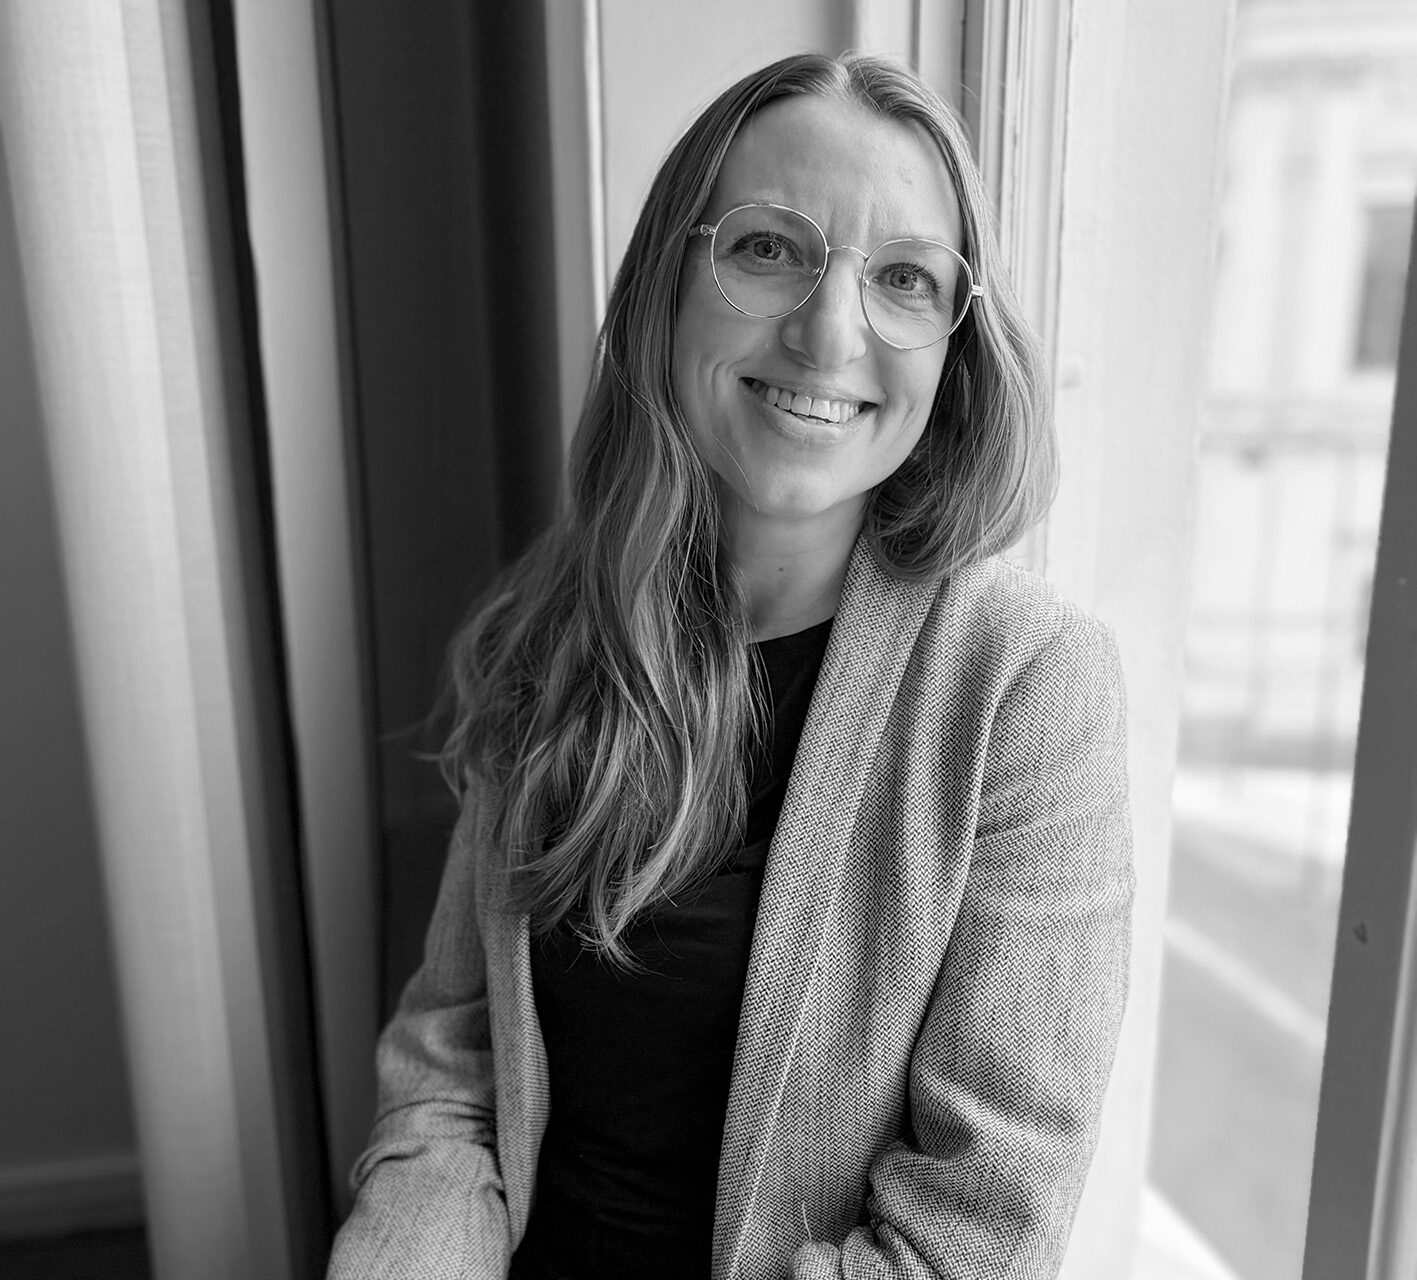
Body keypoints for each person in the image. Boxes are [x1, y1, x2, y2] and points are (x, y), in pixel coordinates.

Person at [327, 50, 1133, 1280]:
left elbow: (973, 1230)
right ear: (670, 279)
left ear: (954, 348)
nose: (827, 332)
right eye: (768, 248)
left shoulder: (1026, 684)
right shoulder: (563, 617)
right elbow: (454, 1062)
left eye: (903, 278)